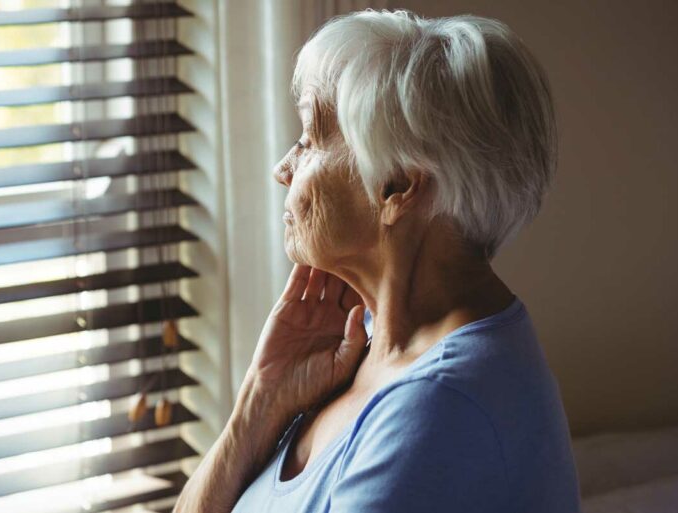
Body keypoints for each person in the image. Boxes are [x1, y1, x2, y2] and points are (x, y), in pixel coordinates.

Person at [174, 9, 581, 513]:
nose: (283, 169)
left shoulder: (441, 408)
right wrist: (260, 401)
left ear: (397, 186)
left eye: (309, 137)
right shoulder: (363, 346)